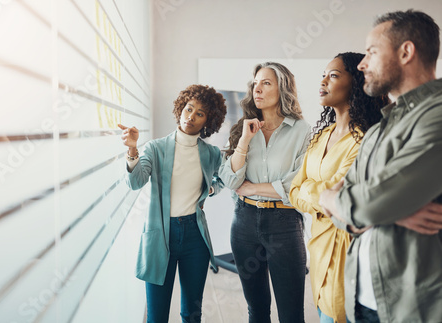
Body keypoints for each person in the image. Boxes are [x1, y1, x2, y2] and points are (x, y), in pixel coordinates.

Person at [319, 10, 442, 323]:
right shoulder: (378, 130)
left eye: (371, 52)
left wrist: (332, 199)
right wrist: (388, 214)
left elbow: (369, 202)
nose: (362, 64)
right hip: (361, 300)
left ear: (406, 52)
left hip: (413, 309)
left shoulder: (437, 115)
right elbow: (348, 211)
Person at [289, 52, 389, 323]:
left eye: (333, 75)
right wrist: (321, 195)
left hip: (348, 247)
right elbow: (293, 190)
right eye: (323, 74)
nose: (323, 81)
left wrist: (312, 190)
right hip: (318, 244)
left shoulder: (365, 140)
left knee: (339, 315)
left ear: (355, 84)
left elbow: (345, 198)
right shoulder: (321, 135)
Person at [118, 84, 227, 323]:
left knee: (192, 313)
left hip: (194, 237)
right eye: (189, 109)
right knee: (156, 316)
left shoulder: (211, 154)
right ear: (181, 109)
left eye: (200, 113)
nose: (191, 116)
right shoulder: (156, 148)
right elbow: (135, 182)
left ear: (208, 121)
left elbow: (220, 180)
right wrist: (133, 149)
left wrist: (210, 188)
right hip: (161, 235)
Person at [219, 62, 311, 323]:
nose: (257, 88)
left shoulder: (302, 131)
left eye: (266, 83)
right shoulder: (243, 128)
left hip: (284, 225)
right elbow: (229, 179)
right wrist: (245, 142)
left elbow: (296, 185)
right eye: (255, 83)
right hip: (244, 223)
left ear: (283, 88)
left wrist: (250, 188)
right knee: (256, 311)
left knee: (291, 314)